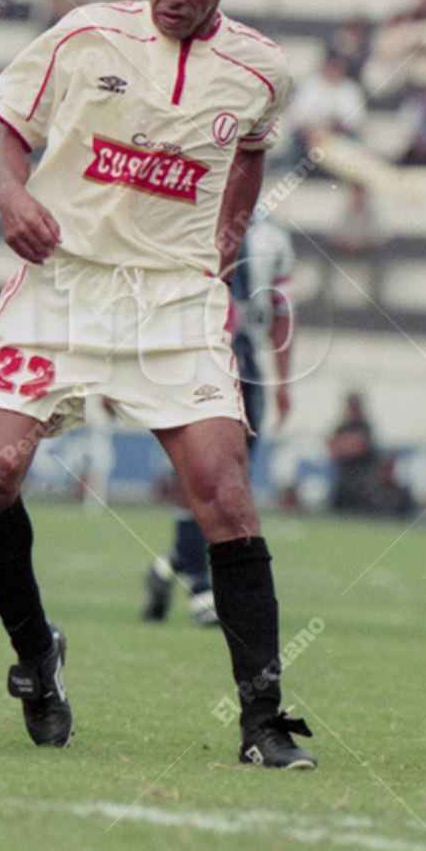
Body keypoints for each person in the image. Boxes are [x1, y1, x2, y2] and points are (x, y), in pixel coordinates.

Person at [0, 0, 316, 768]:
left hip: (173, 301)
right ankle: (36, 655)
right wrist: (13, 195)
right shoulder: (84, 37)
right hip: (64, 285)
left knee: (225, 496)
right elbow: (9, 132)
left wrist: (225, 244)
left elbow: (255, 149)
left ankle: (264, 720)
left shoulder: (263, 71)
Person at [144, 214, 295, 628]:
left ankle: (166, 569)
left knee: (230, 486)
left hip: (244, 367)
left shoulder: (271, 237)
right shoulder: (185, 219)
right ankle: (200, 587)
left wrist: (283, 380)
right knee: (195, 475)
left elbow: (281, 312)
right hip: (190, 362)